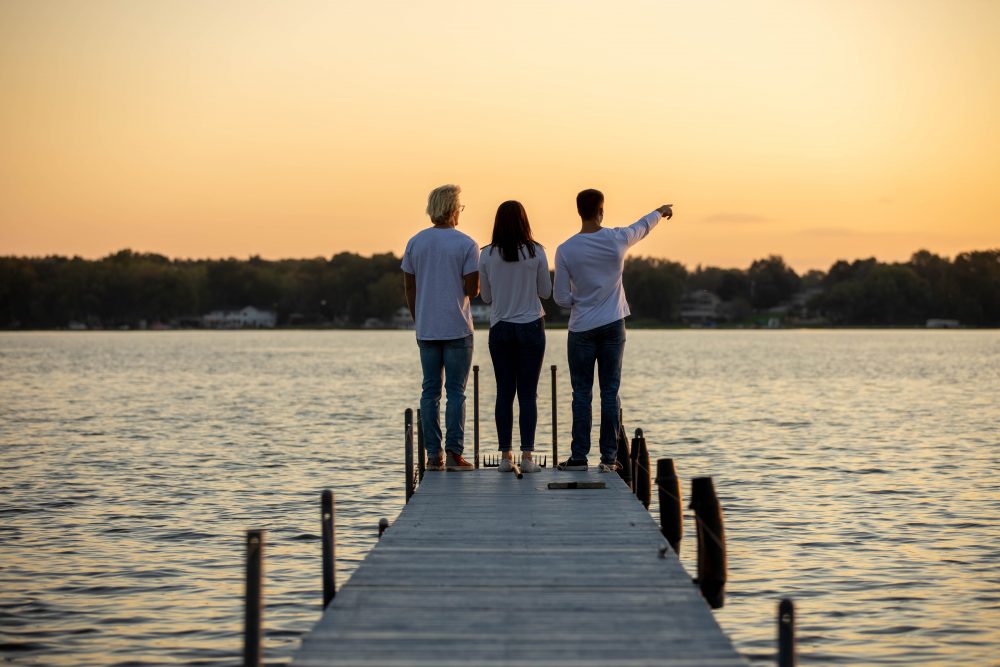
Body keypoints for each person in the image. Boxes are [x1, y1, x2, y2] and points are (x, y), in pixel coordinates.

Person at [553, 189, 673, 472]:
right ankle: (608, 459)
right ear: (601, 211)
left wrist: (580, 301)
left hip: (581, 328)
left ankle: (579, 457)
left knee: (581, 394)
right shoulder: (617, 239)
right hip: (613, 325)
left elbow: (560, 298)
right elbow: (642, 226)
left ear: (579, 211)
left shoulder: (565, 249)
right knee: (609, 392)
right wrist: (660, 211)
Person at [402, 184, 479, 471]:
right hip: (457, 328)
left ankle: (434, 456)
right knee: (456, 392)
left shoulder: (415, 243)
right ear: (453, 209)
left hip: (427, 328)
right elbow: (472, 289)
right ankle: (455, 454)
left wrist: (419, 318)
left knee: (430, 391)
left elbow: (410, 287)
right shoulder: (466, 244)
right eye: (460, 207)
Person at [479, 201, 551, 474]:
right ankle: (528, 457)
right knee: (528, 394)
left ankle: (505, 457)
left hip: (500, 328)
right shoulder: (536, 252)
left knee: (504, 393)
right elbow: (545, 291)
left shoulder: (486, 254)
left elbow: (486, 297)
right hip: (531, 326)